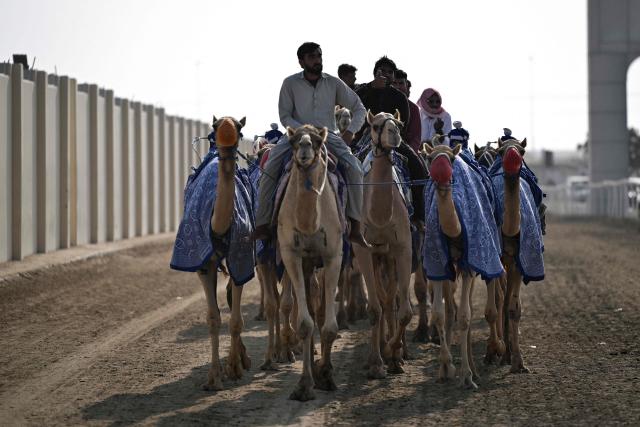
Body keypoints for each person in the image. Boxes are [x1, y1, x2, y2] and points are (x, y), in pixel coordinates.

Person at [253, 42, 369, 246]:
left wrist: (350, 131)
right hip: (296, 136)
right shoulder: (289, 83)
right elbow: (285, 115)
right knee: (270, 168)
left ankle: (356, 226)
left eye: (319, 56)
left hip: (327, 137)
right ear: (301, 61)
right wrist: (303, 130)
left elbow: (358, 108)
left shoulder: (333, 83)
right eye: (312, 57)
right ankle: (262, 224)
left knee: (355, 168)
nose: (317, 60)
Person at [356, 57, 428, 227]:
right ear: (375, 73)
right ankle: (346, 216)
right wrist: (371, 88)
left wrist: (389, 134)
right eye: (382, 71)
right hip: (366, 138)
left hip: (393, 138)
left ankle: (419, 216)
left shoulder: (399, 97)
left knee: (419, 168)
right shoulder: (364, 91)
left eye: (390, 72)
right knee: (345, 166)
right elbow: (354, 108)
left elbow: (403, 122)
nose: (386, 75)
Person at [392, 69, 422, 153]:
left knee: (420, 166)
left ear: (406, 85)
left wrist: (408, 152)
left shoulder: (414, 108)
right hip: (382, 147)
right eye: (394, 83)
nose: (398, 87)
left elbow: (416, 138)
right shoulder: (382, 103)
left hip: (406, 149)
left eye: (401, 83)